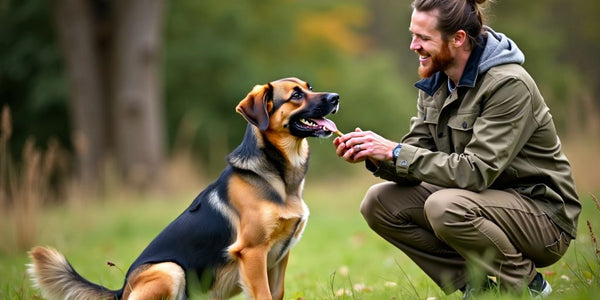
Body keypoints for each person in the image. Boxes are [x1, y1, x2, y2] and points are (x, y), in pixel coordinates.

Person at [333, 0, 580, 298]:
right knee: (379, 202)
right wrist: (376, 156)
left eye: (423, 38)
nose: (413, 45)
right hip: (478, 203)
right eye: (412, 35)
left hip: (542, 220)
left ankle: (528, 286)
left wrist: (395, 152)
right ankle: (477, 289)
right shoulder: (438, 81)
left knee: (444, 206)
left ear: (458, 38)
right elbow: (416, 156)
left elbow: (474, 172)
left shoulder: (508, 85)